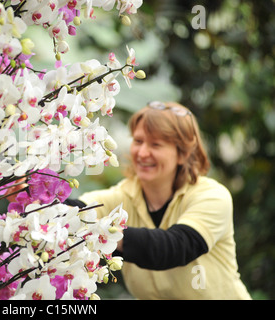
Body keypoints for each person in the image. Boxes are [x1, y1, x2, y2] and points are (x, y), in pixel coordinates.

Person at [68, 101, 251, 299]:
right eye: (138, 141)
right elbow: (76, 210)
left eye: (156, 144)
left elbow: (173, 247)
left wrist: (104, 232)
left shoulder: (212, 196)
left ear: (183, 154)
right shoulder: (124, 195)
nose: (143, 152)